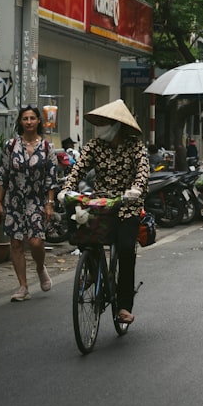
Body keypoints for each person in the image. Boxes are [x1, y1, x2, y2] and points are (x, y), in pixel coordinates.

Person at [59, 99, 149, 326]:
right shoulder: (94, 146)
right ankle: (92, 268)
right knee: (82, 234)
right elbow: (77, 170)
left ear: (117, 125)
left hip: (128, 205)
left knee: (127, 250)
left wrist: (137, 188)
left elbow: (143, 170)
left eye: (105, 123)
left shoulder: (136, 146)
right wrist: (66, 189)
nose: (101, 128)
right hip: (100, 204)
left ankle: (124, 306)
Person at [0, 105, 57, 302]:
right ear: (20, 122)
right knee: (16, 243)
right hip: (14, 200)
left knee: (36, 241)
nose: (29, 122)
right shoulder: (11, 146)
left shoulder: (47, 148)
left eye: (32, 118)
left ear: (38, 121)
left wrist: (49, 203)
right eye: (25, 119)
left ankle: (40, 267)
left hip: (37, 200)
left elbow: (51, 178)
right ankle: (23, 286)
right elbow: (2, 174)